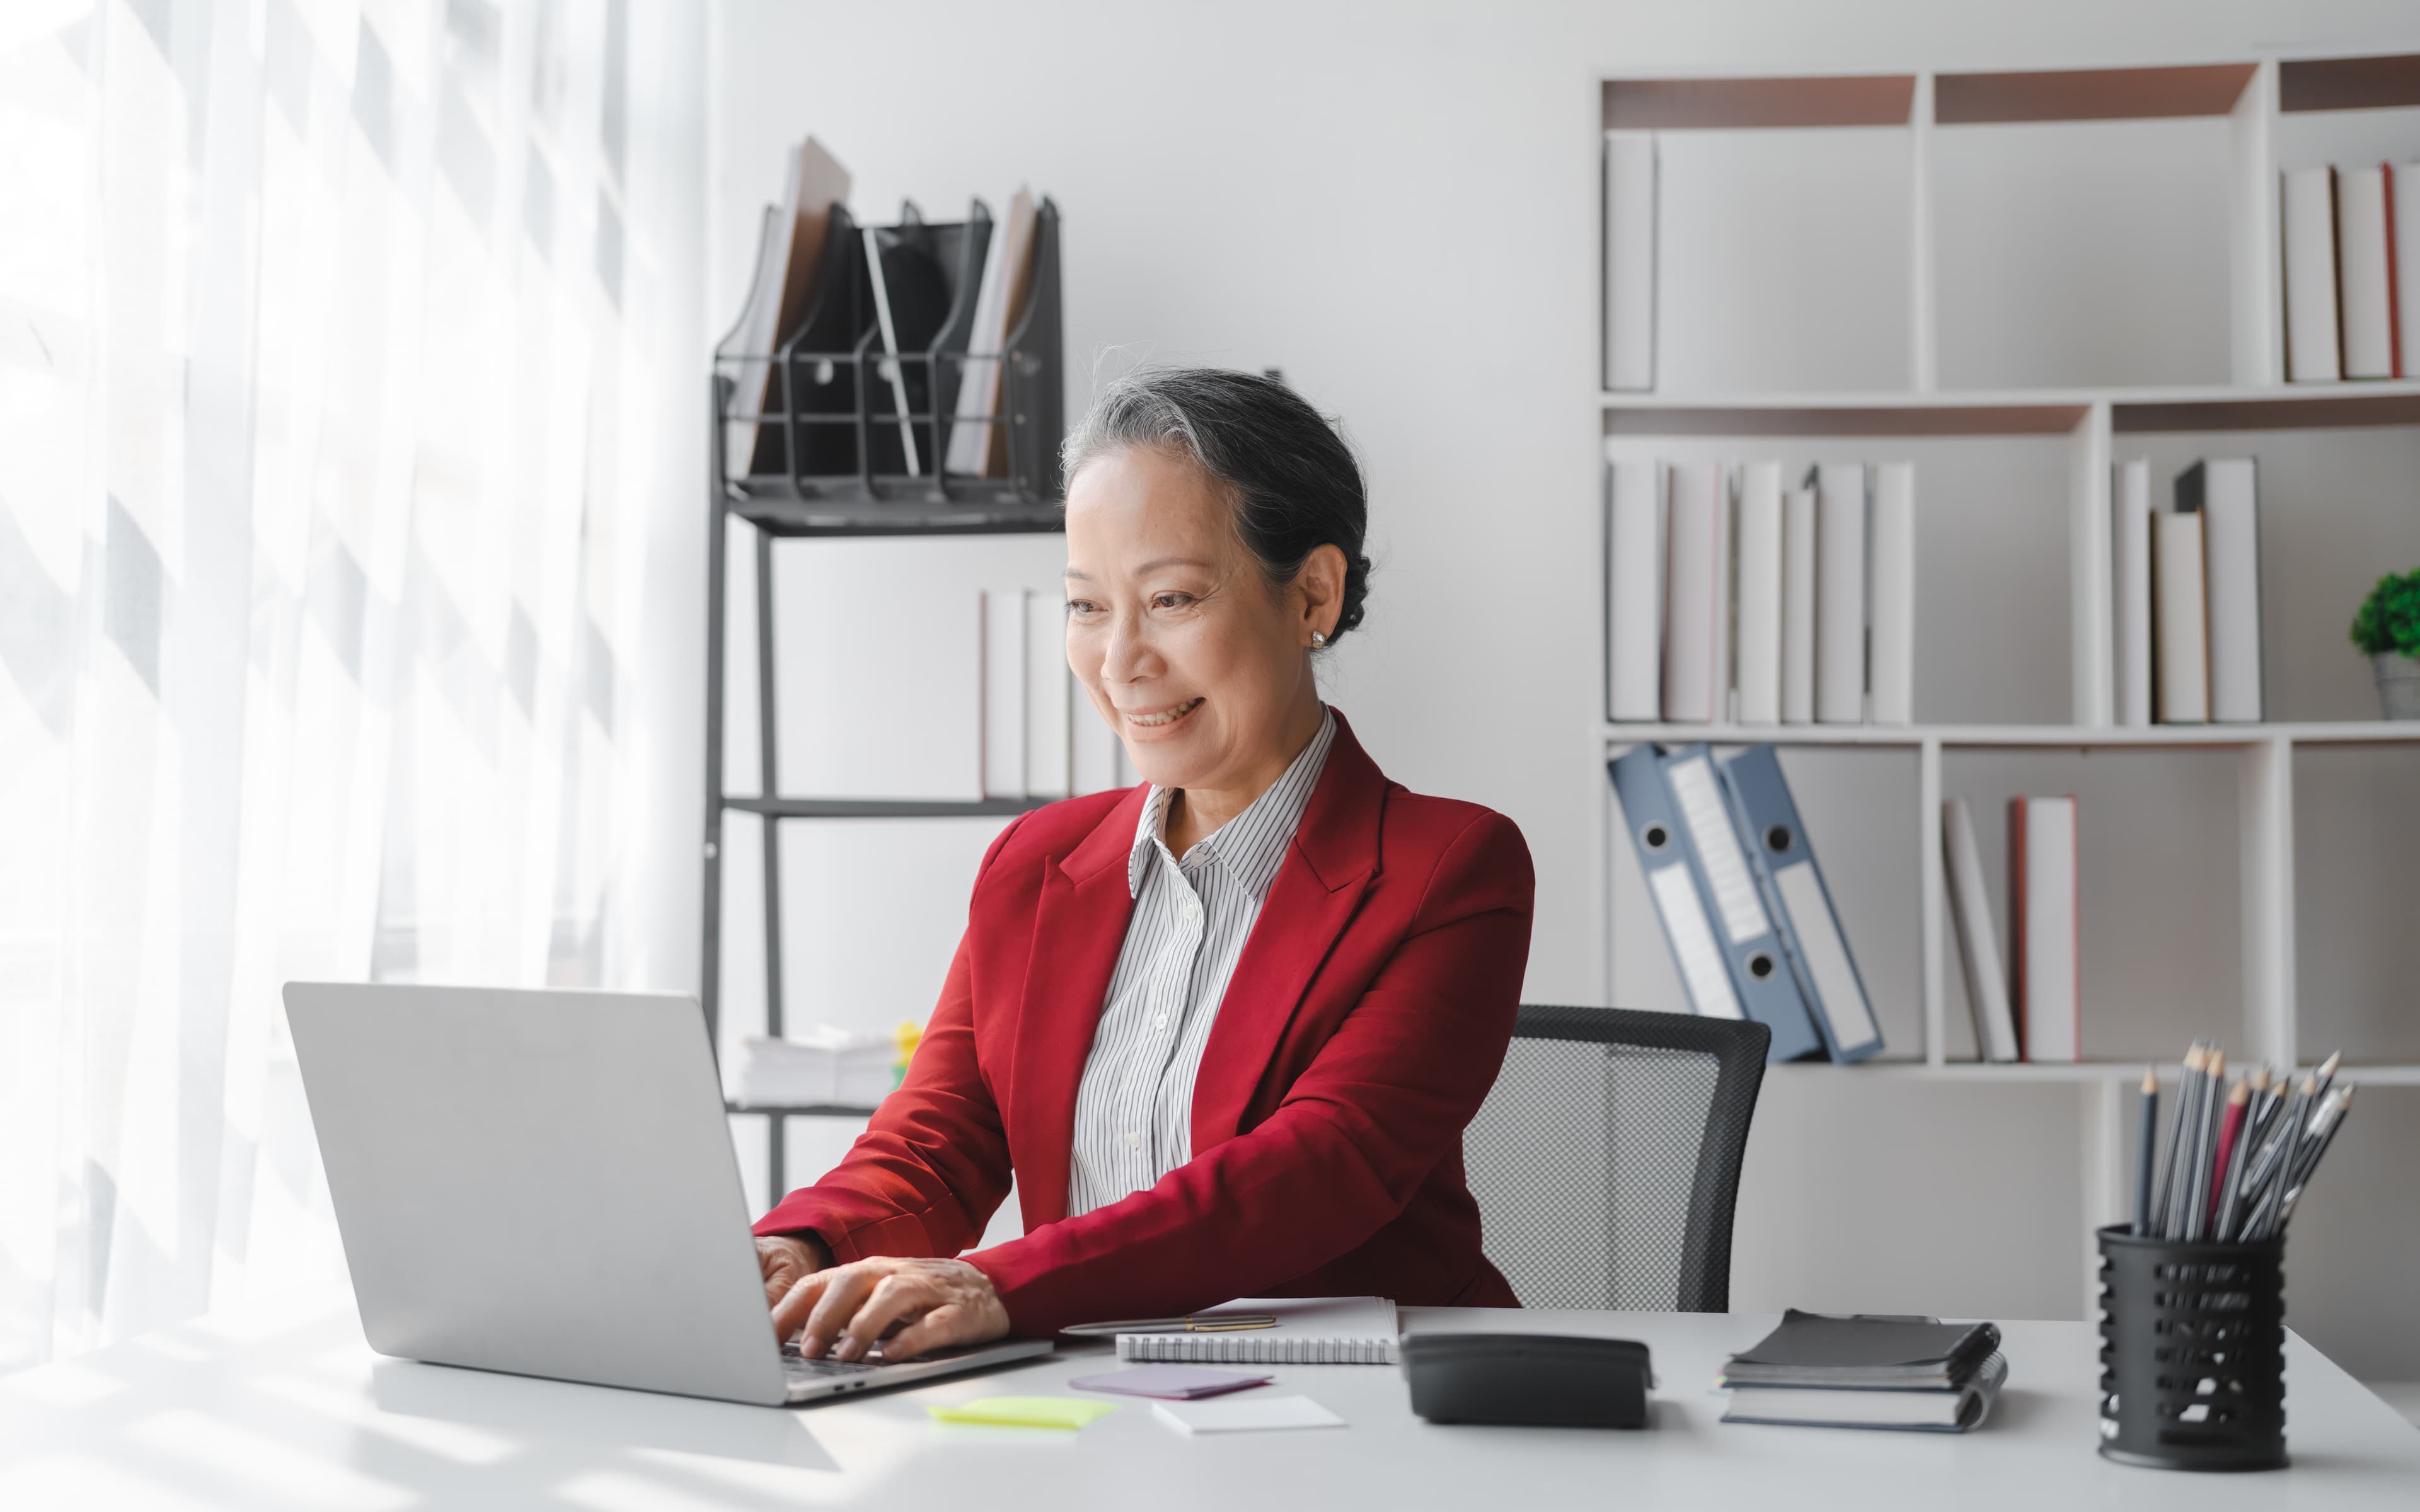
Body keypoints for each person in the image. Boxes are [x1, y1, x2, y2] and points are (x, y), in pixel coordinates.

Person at [754, 368, 1533, 1363]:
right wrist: (798, 1243)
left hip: (1371, 1407)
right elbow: (942, 1136)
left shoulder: (1451, 869)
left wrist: (1000, 1282)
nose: (1121, 659)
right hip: (1102, 1400)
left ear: (1314, 595)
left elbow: (1319, 1171)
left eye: (1170, 598)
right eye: (1087, 607)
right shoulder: (1034, 866)